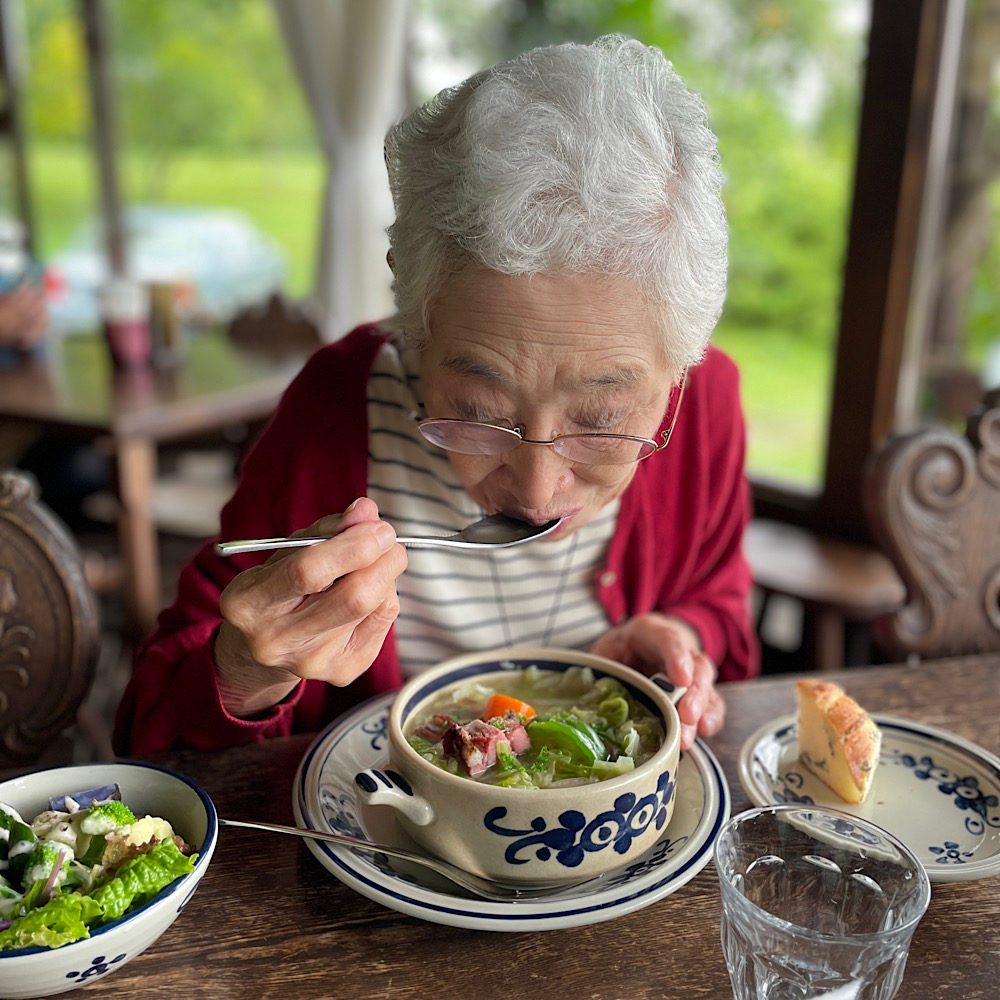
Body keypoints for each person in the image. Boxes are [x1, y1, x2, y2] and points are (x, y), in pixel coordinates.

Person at [113, 34, 760, 756]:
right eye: (480, 415)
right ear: (414, 327)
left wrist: (685, 638)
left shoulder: (702, 406)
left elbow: (725, 606)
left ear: (678, 367)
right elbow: (153, 733)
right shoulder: (336, 407)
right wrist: (246, 669)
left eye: (603, 422)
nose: (538, 490)